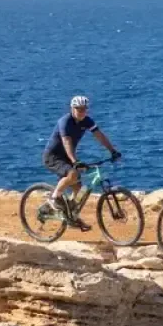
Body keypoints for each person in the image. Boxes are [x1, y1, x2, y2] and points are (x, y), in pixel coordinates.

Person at [41, 95, 120, 228]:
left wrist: (112, 150)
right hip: (52, 156)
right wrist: (74, 161)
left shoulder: (86, 121)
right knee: (72, 174)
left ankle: (71, 216)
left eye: (84, 109)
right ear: (72, 109)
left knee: (78, 188)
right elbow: (67, 142)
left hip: (67, 157)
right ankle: (53, 199)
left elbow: (99, 135)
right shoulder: (64, 121)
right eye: (79, 109)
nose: (82, 112)